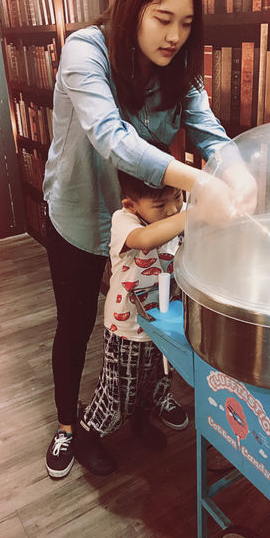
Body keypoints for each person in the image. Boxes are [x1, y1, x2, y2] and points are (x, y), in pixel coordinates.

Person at [43, 0, 256, 479]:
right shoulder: (84, 52)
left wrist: (238, 174)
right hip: (80, 214)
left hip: (147, 221)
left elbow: (212, 135)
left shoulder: (179, 71)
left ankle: (139, 406)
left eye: (186, 23)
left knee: (147, 317)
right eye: (163, 19)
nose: (174, 36)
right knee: (76, 323)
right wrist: (200, 182)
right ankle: (68, 426)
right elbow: (113, 139)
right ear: (131, 8)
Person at [75, 170, 187, 476]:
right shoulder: (124, 221)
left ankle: (141, 420)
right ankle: (86, 434)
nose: (172, 210)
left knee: (155, 380)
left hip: (164, 322)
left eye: (178, 197)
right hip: (126, 329)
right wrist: (194, 214)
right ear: (131, 205)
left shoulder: (178, 214)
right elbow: (146, 239)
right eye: (160, 205)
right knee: (118, 392)